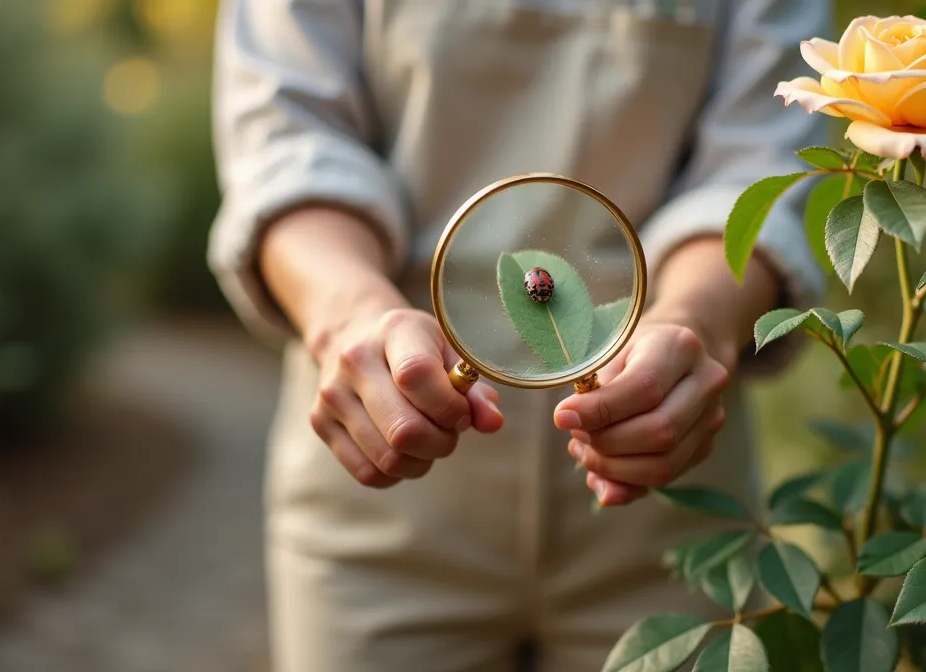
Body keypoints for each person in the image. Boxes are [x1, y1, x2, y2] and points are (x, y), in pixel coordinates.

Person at [208, 0, 829, 669]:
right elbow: (285, 134)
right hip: (389, 444)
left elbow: (761, 167)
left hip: (670, 474)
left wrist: (695, 323)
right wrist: (350, 313)